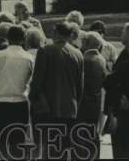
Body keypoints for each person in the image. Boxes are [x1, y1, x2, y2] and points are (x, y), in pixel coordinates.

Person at [29, 20, 85, 160]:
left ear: (56, 33)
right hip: (69, 109)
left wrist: (33, 99)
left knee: (48, 149)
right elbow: (80, 86)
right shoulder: (78, 54)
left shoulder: (45, 51)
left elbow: (37, 81)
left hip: (48, 109)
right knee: (63, 150)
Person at [0, 25, 35, 160]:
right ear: (23, 39)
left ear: (8, 38)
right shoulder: (29, 58)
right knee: (17, 142)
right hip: (20, 104)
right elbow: (32, 80)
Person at [106, 22, 129, 159]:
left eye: (123, 32)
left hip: (124, 110)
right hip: (124, 110)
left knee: (122, 151)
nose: (121, 34)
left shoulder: (128, 56)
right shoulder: (126, 53)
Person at [79, 31, 108, 161]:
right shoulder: (101, 60)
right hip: (95, 102)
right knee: (93, 135)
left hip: (83, 103)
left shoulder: (84, 60)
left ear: (86, 42)